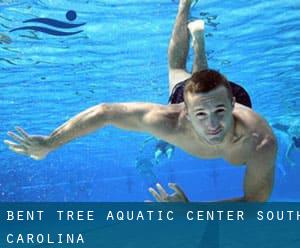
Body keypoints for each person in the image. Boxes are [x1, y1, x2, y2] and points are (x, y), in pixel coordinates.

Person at [4, 0, 277, 202]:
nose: (214, 124)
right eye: (201, 115)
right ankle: (185, 6)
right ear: (184, 110)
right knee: (177, 71)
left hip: (224, 98)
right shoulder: (170, 120)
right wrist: (50, 142)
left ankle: (199, 43)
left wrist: (191, 210)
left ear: (232, 105)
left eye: (220, 111)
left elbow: (254, 202)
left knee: (187, 75)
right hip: (202, 96)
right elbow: (105, 112)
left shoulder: (260, 140)